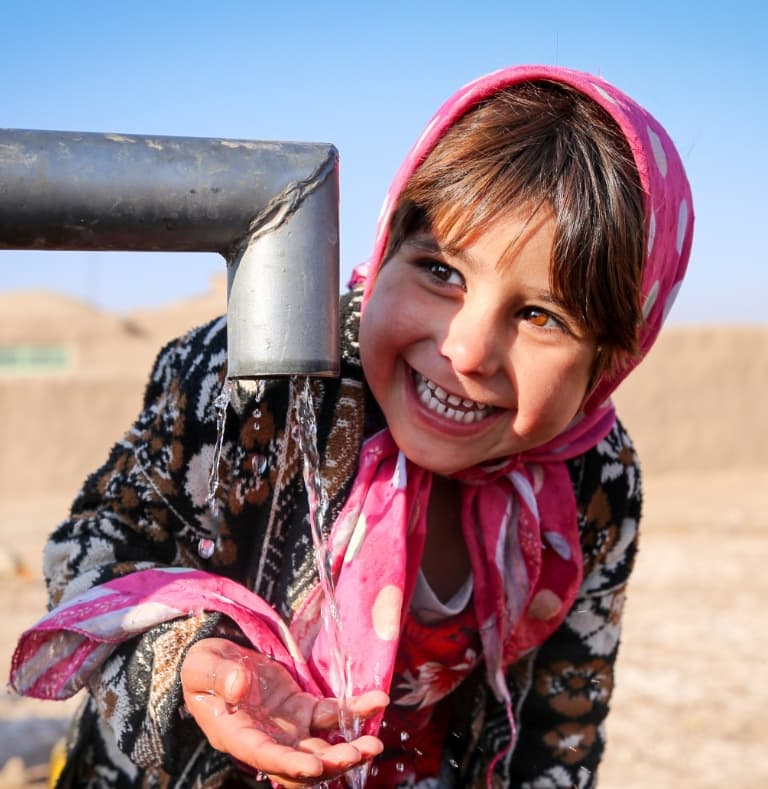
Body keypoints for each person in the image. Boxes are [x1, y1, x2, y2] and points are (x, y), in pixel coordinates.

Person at [10, 64, 693, 789]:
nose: (464, 350)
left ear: (613, 359)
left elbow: (562, 727)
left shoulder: (592, 478)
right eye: (441, 271)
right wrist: (188, 658)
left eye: (539, 316)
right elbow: (92, 551)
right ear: (390, 235)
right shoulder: (252, 382)